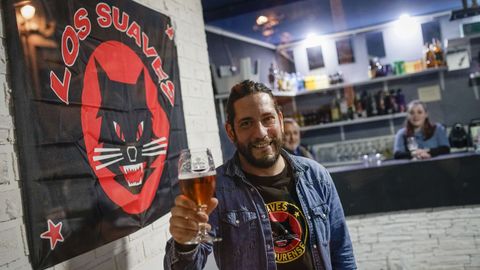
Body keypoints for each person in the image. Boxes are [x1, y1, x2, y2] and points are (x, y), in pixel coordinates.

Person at [164, 80, 356, 270]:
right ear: (231, 132)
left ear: (280, 120)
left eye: (267, 119)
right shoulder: (217, 189)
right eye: (246, 123)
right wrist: (184, 243)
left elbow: (342, 254)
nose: (260, 132)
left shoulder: (316, 176)